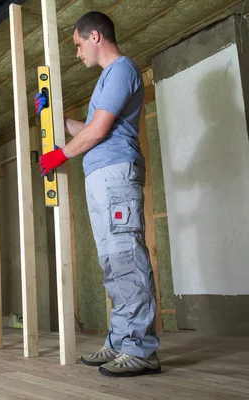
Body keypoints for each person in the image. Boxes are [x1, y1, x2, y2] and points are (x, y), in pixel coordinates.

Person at [35, 11, 161, 378]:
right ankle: (122, 342)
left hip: (116, 174)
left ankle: (141, 349)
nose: (77, 55)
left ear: (94, 36)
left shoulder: (121, 69)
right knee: (113, 265)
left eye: (77, 46)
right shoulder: (107, 80)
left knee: (125, 260)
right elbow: (90, 128)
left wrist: (61, 153)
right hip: (102, 176)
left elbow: (99, 131)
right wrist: (55, 119)